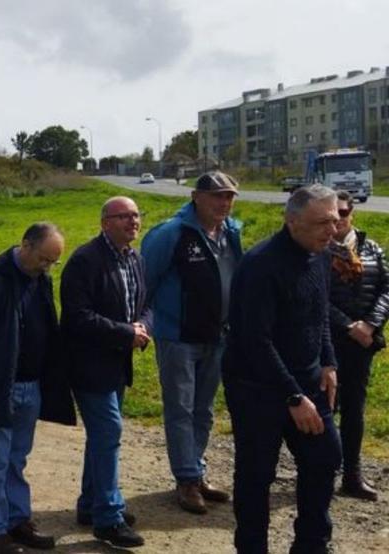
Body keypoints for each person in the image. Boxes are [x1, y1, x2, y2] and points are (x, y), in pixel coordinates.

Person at [223, 185, 342, 554]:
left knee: (325, 458)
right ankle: (252, 547)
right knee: (257, 475)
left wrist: (328, 361)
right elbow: (255, 341)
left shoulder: (321, 256)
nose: (331, 230)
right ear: (292, 222)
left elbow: (319, 313)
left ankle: (311, 544)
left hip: (306, 378)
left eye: (335, 220)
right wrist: (293, 395)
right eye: (321, 222)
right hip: (256, 386)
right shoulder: (260, 266)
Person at [0, 223, 76, 554]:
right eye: (43, 259)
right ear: (25, 245)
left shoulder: (42, 279)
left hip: (31, 386)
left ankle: (17, 521)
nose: (47, 267)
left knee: (17, 459)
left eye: (53, 262)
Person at [140, 171, 242, 514]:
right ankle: (185, 480)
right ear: (196, 197)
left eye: (229, 197)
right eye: (217, 196)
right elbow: (146, 282)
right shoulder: (172, 234)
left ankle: (196, 471)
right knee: (180, 409)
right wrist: (144, 324)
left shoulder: (232, 232)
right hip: (177, 337)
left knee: (205, 409)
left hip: (218, 337)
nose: (224, 203)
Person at [60, 196, 151, 549]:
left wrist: (143, 326)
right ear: (105, 223)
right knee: (109, 431)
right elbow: (77, 317)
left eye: (135, 215)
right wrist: (125, 333)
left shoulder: (135, 258)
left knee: (101, 436)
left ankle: (91, 504)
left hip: (117, 363)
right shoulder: (85, 261)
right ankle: (108, 518)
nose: (133, 221)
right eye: (123, 216)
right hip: (88, 364)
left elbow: (146, 303)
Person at [326, 191, 389, 501]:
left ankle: (352, 475)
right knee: (325, 409)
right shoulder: (316, 251)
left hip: (363, 344)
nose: (337, 221)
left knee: (355, 411)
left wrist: (370, 325)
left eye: (343, 213)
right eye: (332, 215)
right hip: (328, 343)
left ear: (352, 213)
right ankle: (321, 472)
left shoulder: (372, 249)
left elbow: (386, 290)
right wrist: (348, 326)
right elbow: (316, 298)